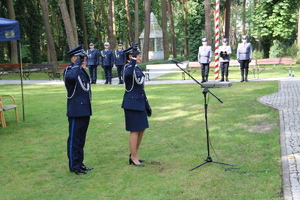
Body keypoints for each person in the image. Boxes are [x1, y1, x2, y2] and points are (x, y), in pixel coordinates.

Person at [64, 45, 93, 175]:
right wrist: (76, 63)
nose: (84, 60)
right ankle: (74, 166)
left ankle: (80, 163)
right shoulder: (70, 70)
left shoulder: (80, 70)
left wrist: (79, 64)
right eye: (81, 57)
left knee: (81, 139)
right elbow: (71, 78)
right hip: (76, 110)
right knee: (74, 139)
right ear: (74, 58)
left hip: (85, 109)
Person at [121, 44, 152, 167]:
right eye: (136, 54)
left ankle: (135, 154)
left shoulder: (137, 68)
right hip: (131, 104)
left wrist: (147, 105)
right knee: (134, 131)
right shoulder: (128, 67)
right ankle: (133, 157)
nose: (139, 56)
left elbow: (141, 88)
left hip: (139, 102)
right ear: (130, 56)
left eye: (138, 54)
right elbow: (128, 75)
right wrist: (133, 60)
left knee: (141, 129)